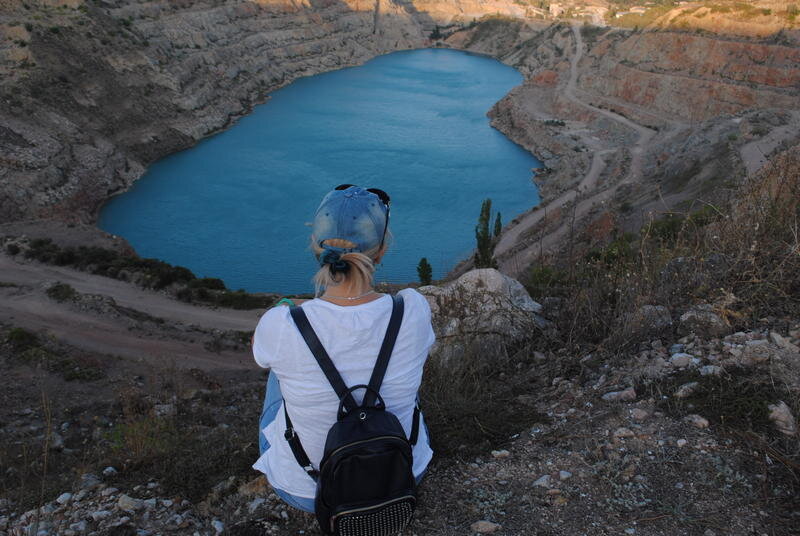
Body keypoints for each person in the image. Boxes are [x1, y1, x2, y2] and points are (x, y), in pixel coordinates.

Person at [251, 184, 435, 513]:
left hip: (309, 492)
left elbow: (258, 353)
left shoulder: (284, 324)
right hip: (402, 475)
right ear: (380, 251)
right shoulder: (412, 310)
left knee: (279, 371)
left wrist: (287, 309)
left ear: (316, 247)